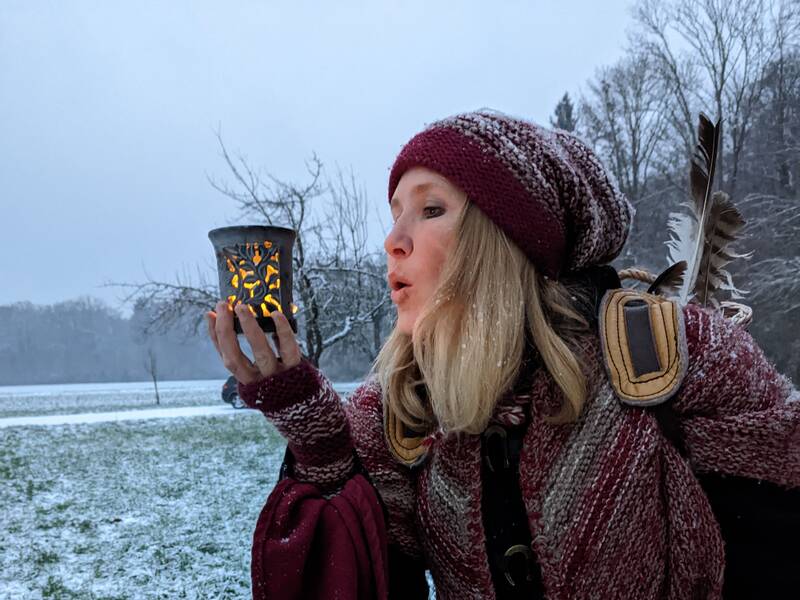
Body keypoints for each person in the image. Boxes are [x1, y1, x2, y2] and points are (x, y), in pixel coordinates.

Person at [206, 109, 800, 600]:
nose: (392, 241)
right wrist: (312, 430)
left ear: (507, 238)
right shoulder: (402, 412)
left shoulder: (677, 355)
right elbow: (362, 579)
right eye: (394, 217)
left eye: (431, 209)